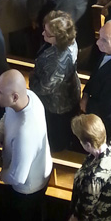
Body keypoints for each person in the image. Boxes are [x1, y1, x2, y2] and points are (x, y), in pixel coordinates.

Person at [0, 70, 52, 221]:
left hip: (27, 188)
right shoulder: (28, 96)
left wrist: (2, 175)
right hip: (35, 168)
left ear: (15, 97)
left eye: (0, 92)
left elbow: (18, 177)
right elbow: (7, 115)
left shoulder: (26, 132)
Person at [30, 11, 81, 152]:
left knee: (56, 138)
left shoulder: (58, 61)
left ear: (59, 38)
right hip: (68, 89)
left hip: (58, 104)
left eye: (47, 33)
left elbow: (45, 87)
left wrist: (32, 79)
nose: (42, 34)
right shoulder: (68, 41)